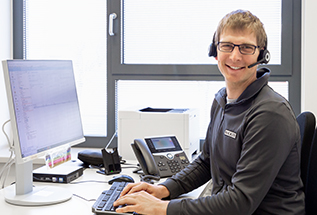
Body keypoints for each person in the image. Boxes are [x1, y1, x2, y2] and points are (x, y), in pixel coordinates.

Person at [113, 9, 305, 215]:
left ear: (261, 55)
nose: (235, 56)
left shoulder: (269, 114)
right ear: (215, 51)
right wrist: (164, 189)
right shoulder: (222, 101)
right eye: (227, 46)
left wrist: (163, 208)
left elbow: (240, 202)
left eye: (246, 48)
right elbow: (207, 161)